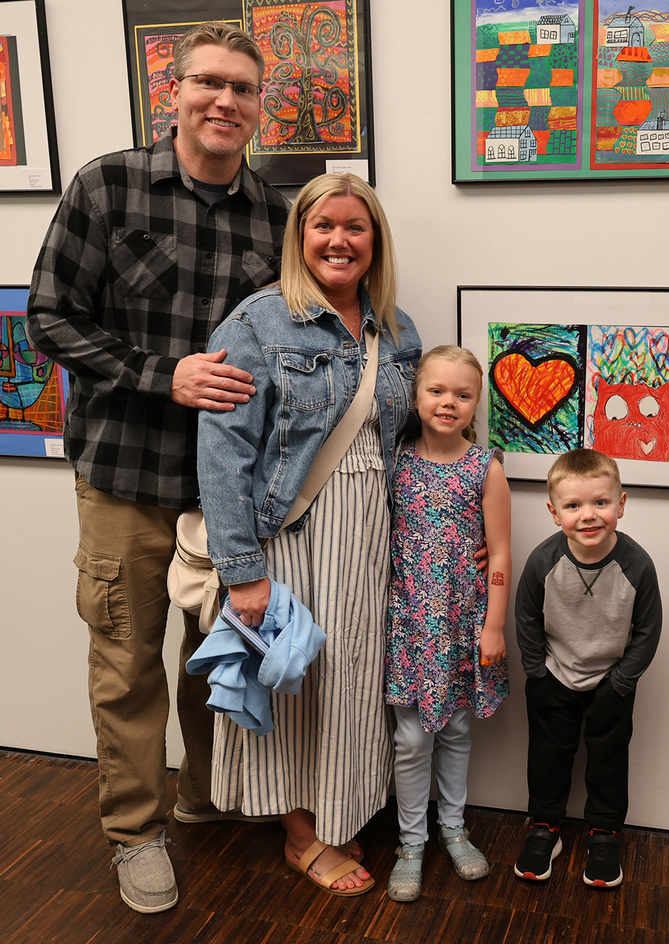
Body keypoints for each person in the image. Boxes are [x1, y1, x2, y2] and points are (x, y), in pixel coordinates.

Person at [25, 22, 290, 914]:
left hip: (234, 493)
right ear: (170, 92)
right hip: (127, 481)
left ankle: (206, 796)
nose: (224, 101)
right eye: (208, 83)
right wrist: (159, 375)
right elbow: (50, 318)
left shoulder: (276, 216)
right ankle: (136, 834)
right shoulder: (109, 185)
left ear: (262, 106)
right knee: (129, 663)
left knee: (214, 662)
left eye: (243, 88)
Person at [196, 172, 421, 897]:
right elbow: (224, 449)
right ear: (300, 237)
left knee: (351, 678)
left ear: (374, 242)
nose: (339, 240)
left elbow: (417, 444)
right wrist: (241, 569)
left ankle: (340, 805)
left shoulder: (398, 329)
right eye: (324, 225)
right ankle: (300, 834)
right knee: (294, 681)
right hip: (291, 535)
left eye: (356, 227)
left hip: (371, 536)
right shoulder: (258, 322)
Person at [383, 345, 512, 902]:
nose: (448, 402)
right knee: (412, 738)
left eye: (463, 395)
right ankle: (410, 843)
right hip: (409, 622)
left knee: (457, 729)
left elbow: (501, 554)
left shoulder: (486, 468)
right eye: (437, 390)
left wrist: (495, 626)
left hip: (464, 622)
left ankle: (453, 829)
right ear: (416, 395)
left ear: (476, 404)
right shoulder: (395, 461)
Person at [514, 448, 662, 889]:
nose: (589, 515)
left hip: (611, 684)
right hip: (553, 679)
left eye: (601, 502)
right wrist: (537, 672)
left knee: (608, 764)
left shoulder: (637, 564)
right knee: (547, 760)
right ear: (553, 512)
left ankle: (604, 836)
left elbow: (648, 630)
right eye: (574, 506)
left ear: (621, 504)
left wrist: (621, 681)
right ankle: (545, 829)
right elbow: (526, 618)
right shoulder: (543, 561)